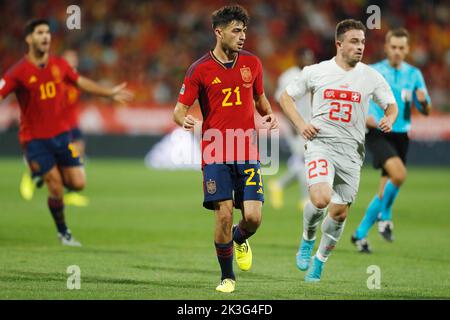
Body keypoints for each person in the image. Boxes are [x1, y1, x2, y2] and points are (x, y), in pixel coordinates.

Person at [278, 19, 398, 282]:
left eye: (363, 42)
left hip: (352, 153)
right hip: (321, 145)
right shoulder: (316, 71)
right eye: (354, 41)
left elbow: (391, 104)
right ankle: (308, 240)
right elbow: (285, 97)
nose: (360, 46)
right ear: (339, 43)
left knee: (340, 213)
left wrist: (389, 118)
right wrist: (301, 124)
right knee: (320, 199)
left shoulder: (371, 76)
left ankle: (320, 261)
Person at [0, 19, 133, 246]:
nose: (45, 37)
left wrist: (108, 93)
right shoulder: (17, 72)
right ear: (29, 38)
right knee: (55, 185)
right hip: (34, 140)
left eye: (47, 33)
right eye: (40, 33)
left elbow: (80, 81)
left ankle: (37, 172)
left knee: (79, 183)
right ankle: (64, 233)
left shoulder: (59, 65)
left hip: (61, 136)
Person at [173, 5, 278, 293]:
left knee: (253, 217)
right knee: (223, 214)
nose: (242, 36)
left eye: (244, 30)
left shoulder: (252, 64)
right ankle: (227, 277)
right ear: (219, 32)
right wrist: (186, 120)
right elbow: (178, 111)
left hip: (247, 150)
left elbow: (260, 98)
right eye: (236, 30)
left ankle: (240, 237)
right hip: (216, 151)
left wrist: (268, 114)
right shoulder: (200, 70)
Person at [351, 28, 432, 253]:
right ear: (386, 47)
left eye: (401, 48)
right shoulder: (372, 71)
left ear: (407, 50)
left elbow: (425, 110)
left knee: (385, 188)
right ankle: (385, 217)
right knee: (398, 175)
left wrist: (423, 103)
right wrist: (364, 116)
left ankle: (359, 234)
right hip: (378, 132)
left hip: (401, 135)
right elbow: (357, 98)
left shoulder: (414, 74)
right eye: (393, 47)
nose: (397, 51)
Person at [269, 48, 316, 210]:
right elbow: (282, 101)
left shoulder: (312, 74)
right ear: (297, 58)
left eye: (310, 58)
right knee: (305, 160)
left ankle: (278, 185)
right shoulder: (290, 76)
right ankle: (305, 199)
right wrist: (293, 124)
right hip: (294, 125)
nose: (308, 61)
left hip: (308, 124)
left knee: (304, 161)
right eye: (305, 57)